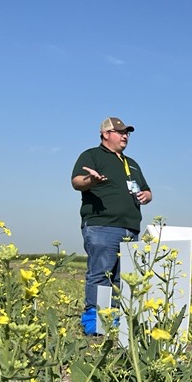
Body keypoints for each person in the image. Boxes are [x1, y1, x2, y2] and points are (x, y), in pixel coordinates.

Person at [70, 117, 153, 335]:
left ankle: (114, 319)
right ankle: (94, 320)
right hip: (102, 225)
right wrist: (92, 181)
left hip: (130, 227)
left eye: (127, 132)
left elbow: (147, 190)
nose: (125, 135)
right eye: (119, 132)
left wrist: (146, 195)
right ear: (105, 134)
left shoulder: (132, 163)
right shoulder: (92, 155)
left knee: (122, 277)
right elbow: (77, 182)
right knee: (101, 273)